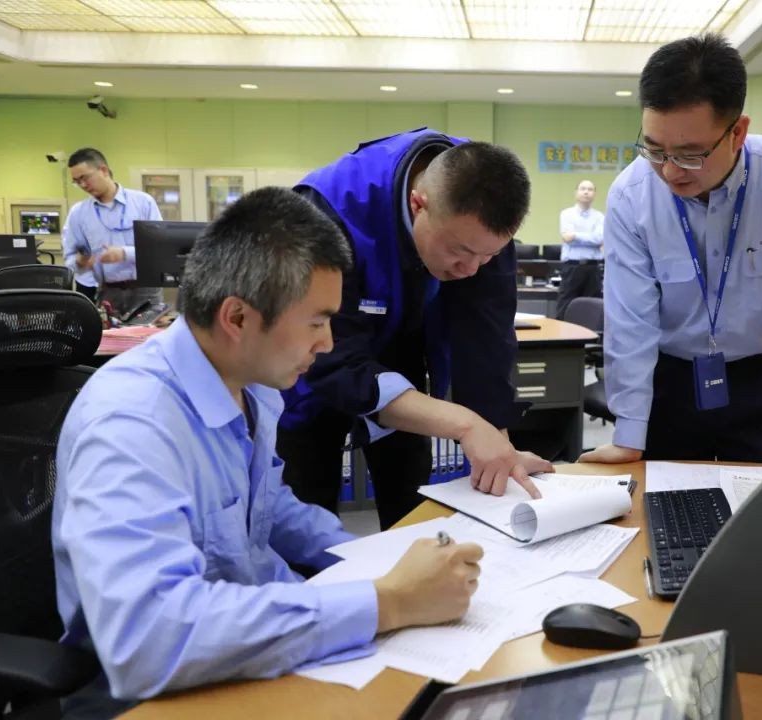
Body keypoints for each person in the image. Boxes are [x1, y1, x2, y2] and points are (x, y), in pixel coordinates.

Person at [52, 187, 484, 706]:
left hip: (256, 646)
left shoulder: (250, 385)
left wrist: (380, 559)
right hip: (158, 695)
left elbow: (267, 508)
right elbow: (146, 641)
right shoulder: (133, 424)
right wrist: (388, 600)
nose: (328, 344)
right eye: (317, 322)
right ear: (238, 318)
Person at [278, 129, 552, 529]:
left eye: (487, 256)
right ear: (418, 204)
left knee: (411, 501)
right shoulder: (329, 210)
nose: (471, 269)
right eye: (459, 252)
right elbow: (330, 361)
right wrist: (465, 424)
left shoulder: (483, 220)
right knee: (305, 508)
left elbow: (487, 343)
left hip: (402, 346)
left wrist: (499, 446)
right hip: (314, 361)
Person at [581, 34, 762, 466]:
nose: (669, 171)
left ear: (737, 132)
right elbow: (631, 322)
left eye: (690, 155)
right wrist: (629, 434)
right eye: (654, 150)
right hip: (672, 381)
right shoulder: (631, 194)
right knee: (663, 502)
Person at [61, 147, 163, 313]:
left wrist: (124, 253)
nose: (83, 185)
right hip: (107, 292)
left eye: (85, 178)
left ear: (104, 170)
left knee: (148, 330)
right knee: (109, 331)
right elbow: (70, 259)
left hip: (146, 291)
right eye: (77, 181)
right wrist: (80, 262)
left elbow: (158, 249)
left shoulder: (143, 203)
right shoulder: (78, 213)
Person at [555, 179, 605, 319]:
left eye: (590, 189)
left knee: (592, 308)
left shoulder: (600, 217)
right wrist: (590, 238)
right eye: (583, 188)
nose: (586, 192)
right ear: (576, 192)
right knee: (565, 305)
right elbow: (567, 238)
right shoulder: (566, 214)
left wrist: (575, 235)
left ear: (594, 194)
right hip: (572, 267)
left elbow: (599, 239)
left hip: (593, 268)